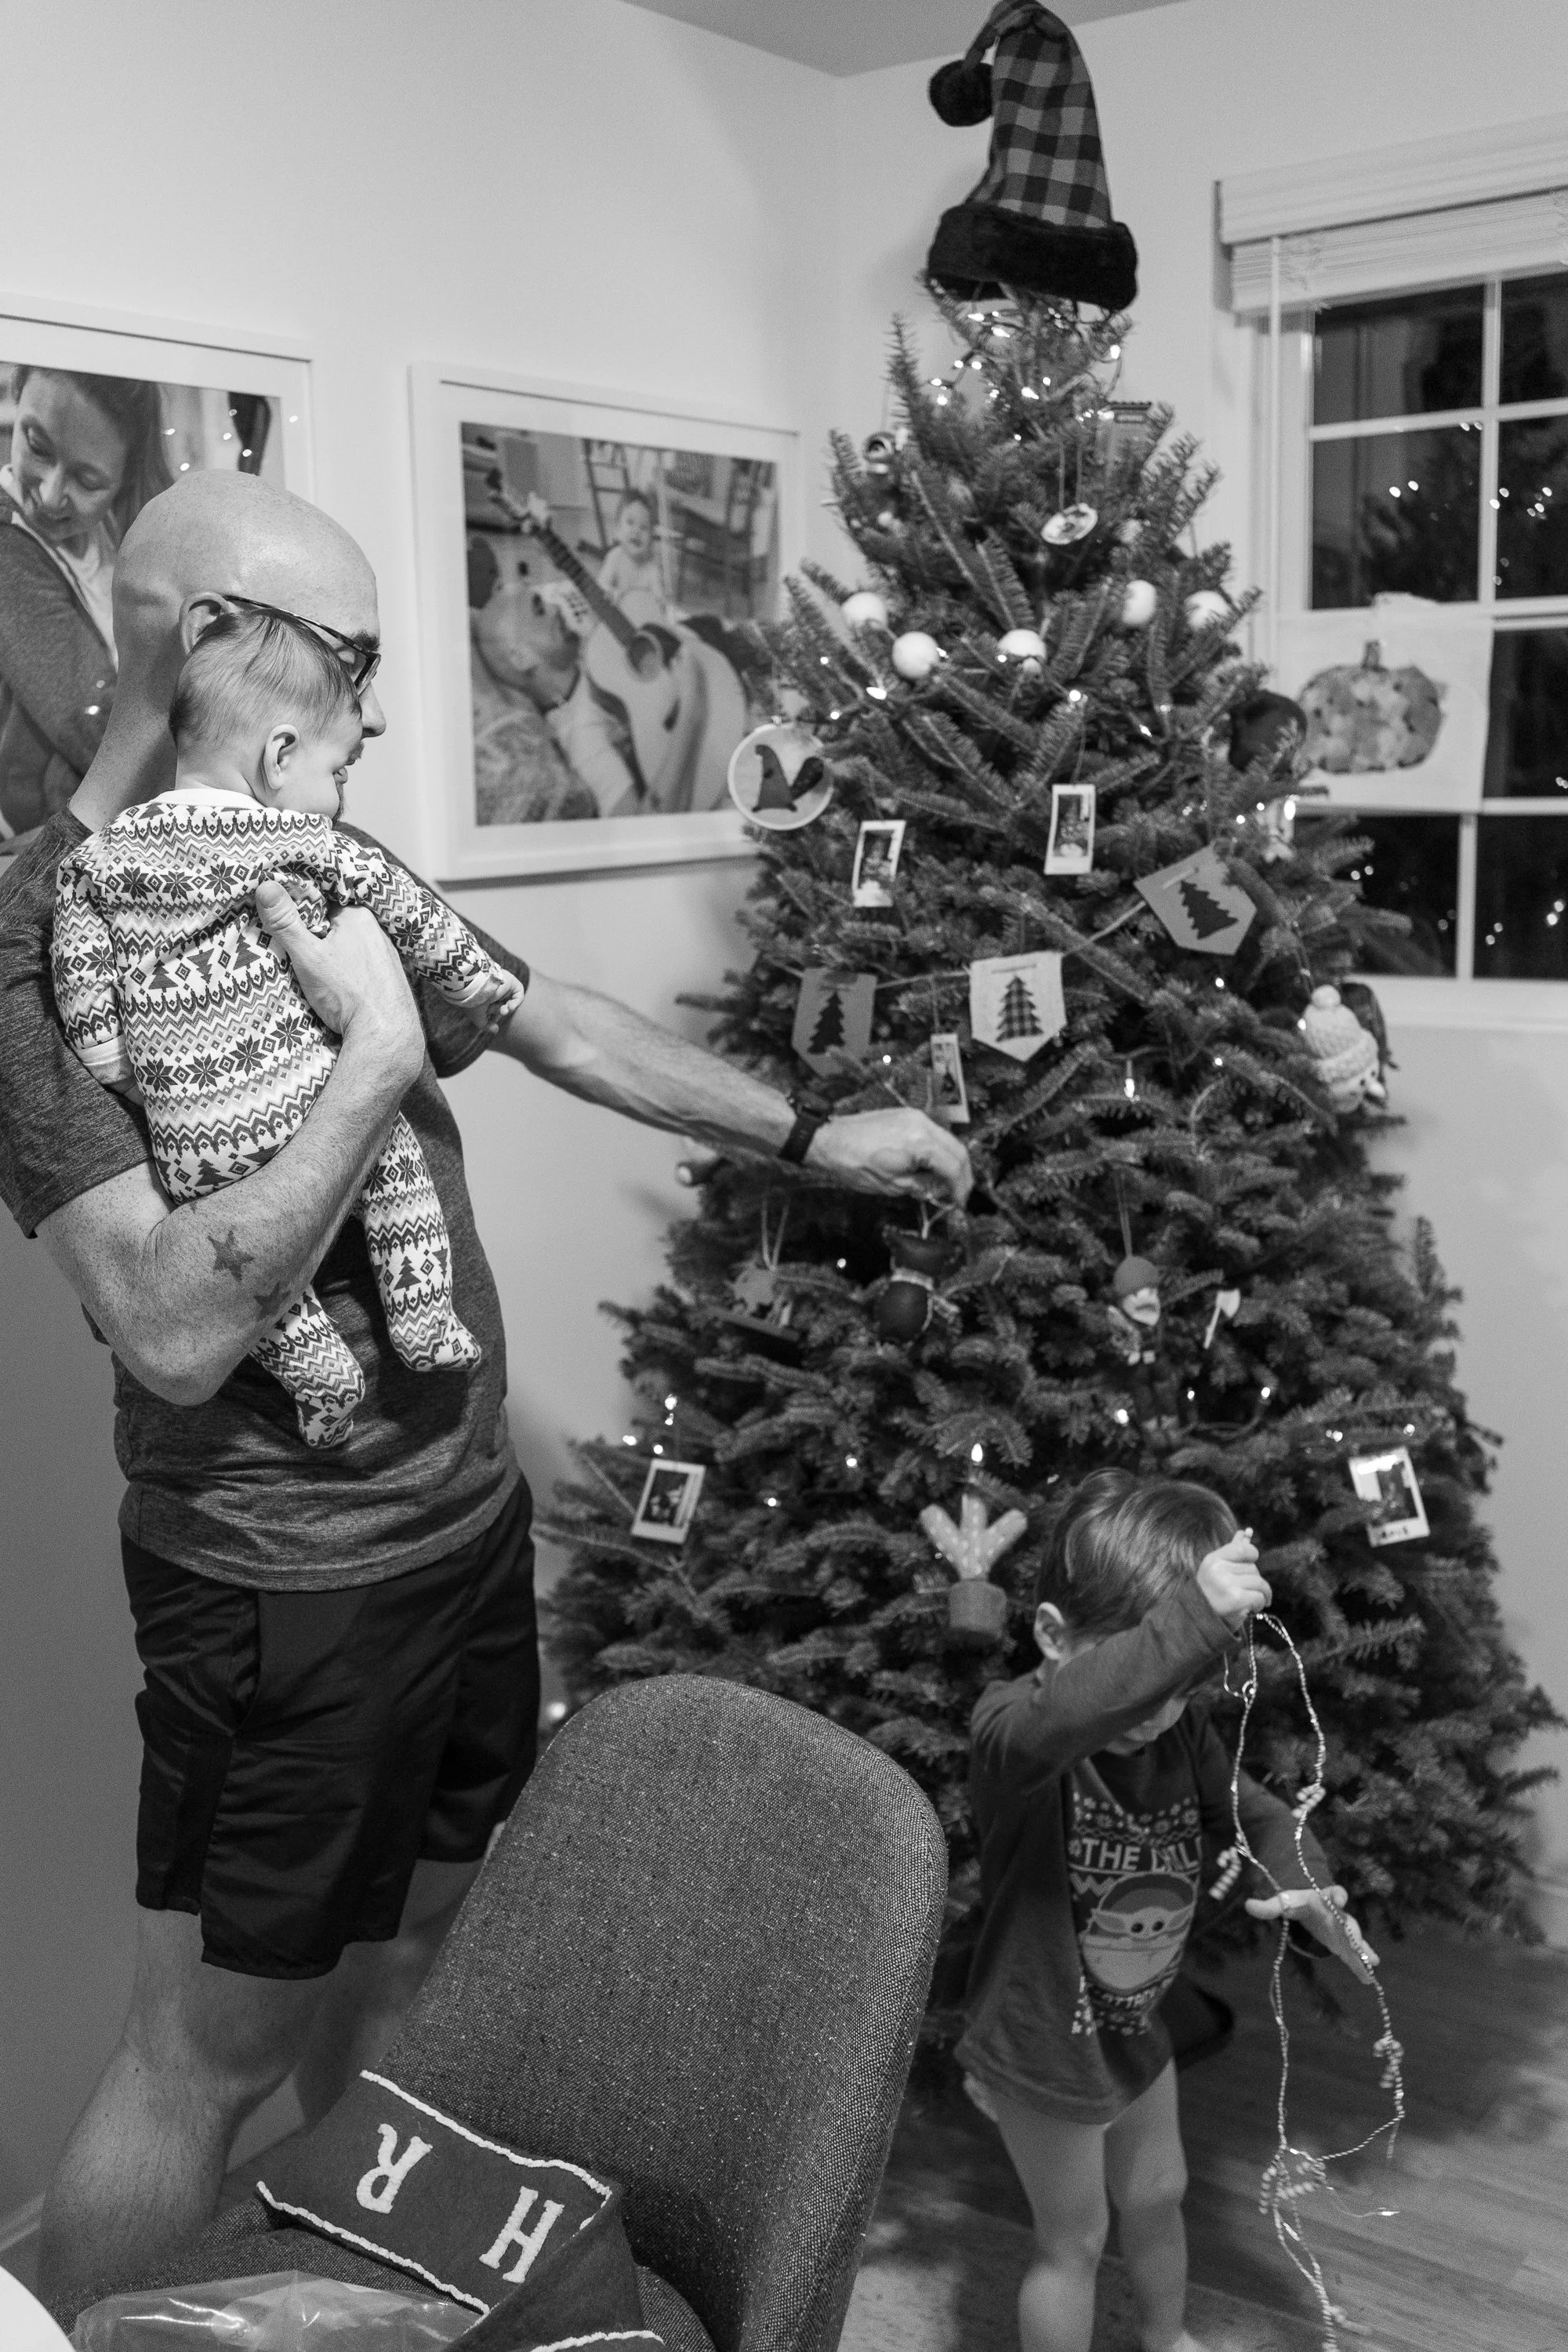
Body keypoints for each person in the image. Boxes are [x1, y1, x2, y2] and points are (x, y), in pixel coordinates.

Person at [0, 466, 970, 2323]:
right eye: (353, 658)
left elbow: (555, 1024)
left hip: (458, 1534)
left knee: (417, 1961)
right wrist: (374, 1054)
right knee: (200, 2059)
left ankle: (363, 2297)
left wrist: (815, 1132)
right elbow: (177, 1328)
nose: (371, 710)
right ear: (213, 637)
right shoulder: (44, 933)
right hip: (286, 1585)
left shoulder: (301, 838)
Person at [53, 608, 525, 1446]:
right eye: (337, 770)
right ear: (278, 756)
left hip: (192, 1137)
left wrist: (134, 1074)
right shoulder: (303, 842)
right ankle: (422, 1317)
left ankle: (320, 1376)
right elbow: (410, 913)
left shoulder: (96, 863)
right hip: (305, 1097)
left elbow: (85, 997)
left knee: (257, 1277)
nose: (340, 794)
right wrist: (476, 978)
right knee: (393, 1162)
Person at [958, 1471, 1375, 2352]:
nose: (1158, 1714)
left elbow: (1262, 1818)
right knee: (1072, 2240)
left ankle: (1164, 2337)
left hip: (1138, 2022)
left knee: (1157, 2194)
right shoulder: (1011, 1732)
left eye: (1182, 1690)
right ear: (1051, 1637)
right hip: (1039, 2040)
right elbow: (1079, 1707)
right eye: (1150, 1684)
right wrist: (1186, 1625)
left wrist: (1309, 1888)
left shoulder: (1178, 1730)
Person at [0, 366, 173, 853]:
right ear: (17, 396)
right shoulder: (8, 546)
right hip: (43, 848)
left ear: (124, 479)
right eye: (36, 445)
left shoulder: (114, 534)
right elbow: (95, 730)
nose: (50, 493)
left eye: (88, 479)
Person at [596, 486, 667, 616]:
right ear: (617, 530)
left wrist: (658, 603)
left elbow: (659, 600)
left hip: (640, 619)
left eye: (644, 527)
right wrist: (613, 594)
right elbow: (601, 587)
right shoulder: (615, 557)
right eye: (630, 522)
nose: (637, 531)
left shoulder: (651, 566)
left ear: (651, 538)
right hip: (616, 615)